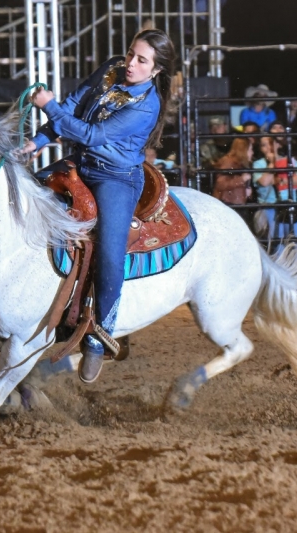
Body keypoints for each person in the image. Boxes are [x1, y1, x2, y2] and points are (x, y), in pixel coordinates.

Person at [21, 29, 176, 383]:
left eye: (141, 60)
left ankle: (100, 335)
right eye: (130, 54)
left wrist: (48, 105)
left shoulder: (146, 105)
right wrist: (36, 142)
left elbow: (90, 134)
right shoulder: (112, 69)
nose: (130, 64)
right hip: (82, 163)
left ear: (156, 71)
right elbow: (75, 104)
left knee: (109, 250)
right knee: (25, 195)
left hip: (116, 178)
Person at [252, 136, 297, 250]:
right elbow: (265, 182)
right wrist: (272, 164)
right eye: (264, 145)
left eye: (271, 143)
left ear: (277, 144)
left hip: (291, 205)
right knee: (276, 245)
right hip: (270, 207)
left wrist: (281, 180)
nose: (269, 147)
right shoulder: (258, 164)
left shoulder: (290, 161)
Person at [212, 138, 254, 227]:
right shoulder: (229, 162)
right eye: (250, 149)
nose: (252, 152)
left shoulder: (240, 164)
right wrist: (241, 179)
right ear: (243, 150)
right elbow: (221, 184)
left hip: (236, 205)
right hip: (229, 205)